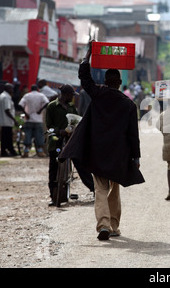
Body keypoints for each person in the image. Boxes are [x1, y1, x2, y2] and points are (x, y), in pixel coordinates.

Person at [60, 41, 145, 241]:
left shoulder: (97, 94)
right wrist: (136, 157)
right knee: (114, 191)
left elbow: (85, 78)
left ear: (106, 81)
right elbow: (133, 135)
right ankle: (114, 227)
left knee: (100, 190)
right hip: (119, 155)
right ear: (120, 83)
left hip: (98, 152)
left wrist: (86, 56)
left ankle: (103, 225)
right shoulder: (129, 105)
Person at [46, 84, 95, 207]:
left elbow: (78, 122)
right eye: (71, 95)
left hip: (71, 141)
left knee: (80, 164)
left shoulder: (72, 108)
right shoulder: (52, 106)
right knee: (54, 167)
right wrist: (59, 131)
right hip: (56, 140)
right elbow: (49, 125)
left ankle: (95, 189)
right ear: (66, 95)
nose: (72, 98)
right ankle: (53, 195)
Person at [18, 85, 49, 158]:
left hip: (28, 119)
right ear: (38, 89)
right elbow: (47, 103)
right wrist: (40, 110)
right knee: (39, 136)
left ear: (30, 89)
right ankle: (40, 151)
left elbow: (20, 105)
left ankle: (26, 151)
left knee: (28, 135)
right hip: (38, 120)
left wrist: (26, 114)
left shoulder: (27, 95)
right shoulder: (41, 95)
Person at [0, 83, 19, 157]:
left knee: (5, 137)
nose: (12, 90)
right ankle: (9, 150)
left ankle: (6, 150)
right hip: (7, 121)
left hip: (4, 121)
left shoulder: (2, 95)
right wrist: (14, 120)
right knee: (7, 137)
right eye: (11, 88)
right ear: (7, 89)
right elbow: (7, 110)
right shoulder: (6, 97)